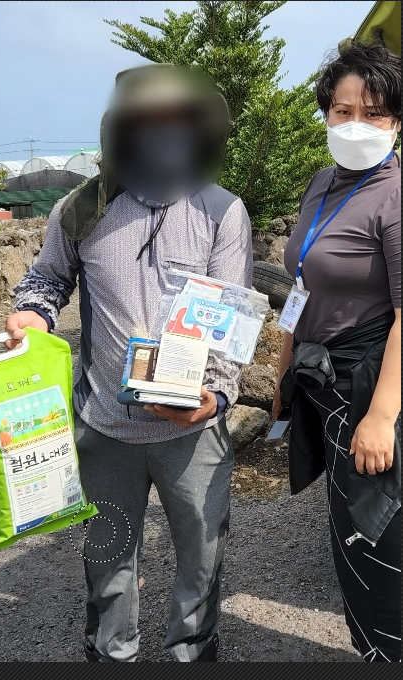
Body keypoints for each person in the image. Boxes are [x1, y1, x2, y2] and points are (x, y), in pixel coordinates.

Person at [5, 64, 253, 662]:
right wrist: (32, 313)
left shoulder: (222, 211)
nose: (163, 134)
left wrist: (216, 396)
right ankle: (111, 651)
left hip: (192, 427)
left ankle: (193, 651)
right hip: (105, 426)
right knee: (108, 555)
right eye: (146, 122)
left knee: (203, 553)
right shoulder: (80, 209)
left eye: (178, 121)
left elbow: (232, 317)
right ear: (119, 128)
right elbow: (47, 278)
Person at [273, 43, 401, 662]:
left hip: (371, 378)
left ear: (396, 120)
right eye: (343, 110)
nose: (356, 125)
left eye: (374, 113)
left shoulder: (396, 194)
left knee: (381, 530)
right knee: (348, 529)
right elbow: (300, 282)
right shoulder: (323, 183)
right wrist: (282, 368)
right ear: (325, 113)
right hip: (322, 377)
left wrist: (382, 416)